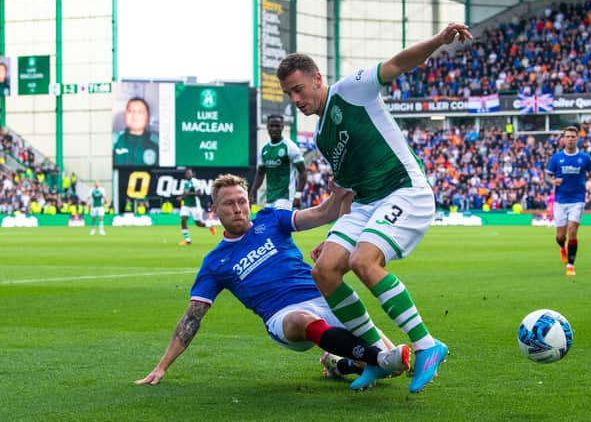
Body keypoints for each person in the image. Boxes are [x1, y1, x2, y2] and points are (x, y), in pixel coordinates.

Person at [277, 22, 473, 393]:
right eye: (289, 94)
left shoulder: (352, 89)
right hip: (366, 202)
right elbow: (348, 188)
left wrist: (439, 41)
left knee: (363, 262)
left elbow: (398, 63)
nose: (296, 100)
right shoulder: (320, 135)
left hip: (404, 190)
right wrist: (335, 236)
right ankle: (375, 357)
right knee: (324, 270)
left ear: (318, 79)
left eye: (298, 89)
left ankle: (428, 345)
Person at [135, 174, 410, 387]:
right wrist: (161, 367)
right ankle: (376, 358)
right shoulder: (214, 263)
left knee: (396, 370)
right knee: (302, 321)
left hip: (323, 297)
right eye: (229, 204)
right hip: (283, 316)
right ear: (215, 209)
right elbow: (192, 319)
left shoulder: (271, 220)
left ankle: (341, 363)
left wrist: (340, 192)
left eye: (242, 201)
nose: (238, 209)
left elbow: (323, 213)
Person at [545, 126, 591, 276]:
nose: (570, 139)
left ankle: (570, 265)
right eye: (567, 136)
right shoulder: (556, 158)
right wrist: (553, 181)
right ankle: (562, 248)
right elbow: (548, 175)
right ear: (563, 139)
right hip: (560, 201)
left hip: (577, 200)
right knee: (560, 236)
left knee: (572, 231)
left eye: (572, 136)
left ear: (577, 138)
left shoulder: (584, 158)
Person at [249, 114, 307, 209]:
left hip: (286, 197)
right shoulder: (264, 149)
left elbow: (303, 172)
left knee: (277, 219)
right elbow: (260, 174)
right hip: (270, 198)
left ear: (282, 127)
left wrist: (298, 195)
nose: (274, 129)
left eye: (277, 126)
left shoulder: (290, 147)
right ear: (267, 127)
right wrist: (252, 193)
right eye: (271, 126)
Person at [113, 97, 159, 167]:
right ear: (125, 116)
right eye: (130, 111)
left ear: (148, 118)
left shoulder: (158, 142)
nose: (134, 115)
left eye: (140, 112)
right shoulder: (114, 140)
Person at [177, 168, 216, 245]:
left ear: (192, 174)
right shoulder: (186, 183)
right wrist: (181, 197)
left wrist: (189, 193)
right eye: (187, 173)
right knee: (183, 219)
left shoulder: (196, 182)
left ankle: (210, 226)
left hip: (195, 205)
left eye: (189, 173)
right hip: (186, 205)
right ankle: (187, 240)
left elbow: (200, 193)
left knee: (199, 224)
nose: (188, 174)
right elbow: (185, 193)